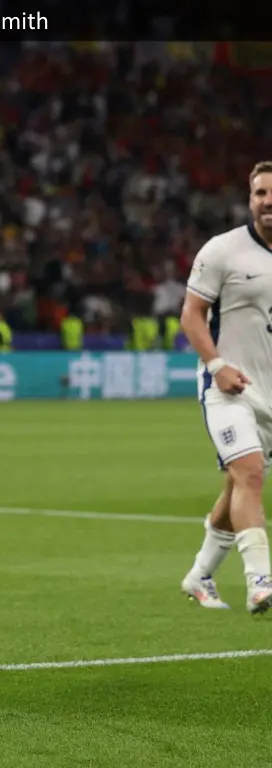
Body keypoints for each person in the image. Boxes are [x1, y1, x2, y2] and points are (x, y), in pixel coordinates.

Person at [179, 160, 272, 615]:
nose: (268, 202)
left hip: (271, 395)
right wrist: (216, 365)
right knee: (251, 475)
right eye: (260, 193)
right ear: (250, 199)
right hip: (228, 387)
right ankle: (261, 581)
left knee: (237, 487)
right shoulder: (223, 251)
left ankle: (199, 575)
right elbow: (191, 315)